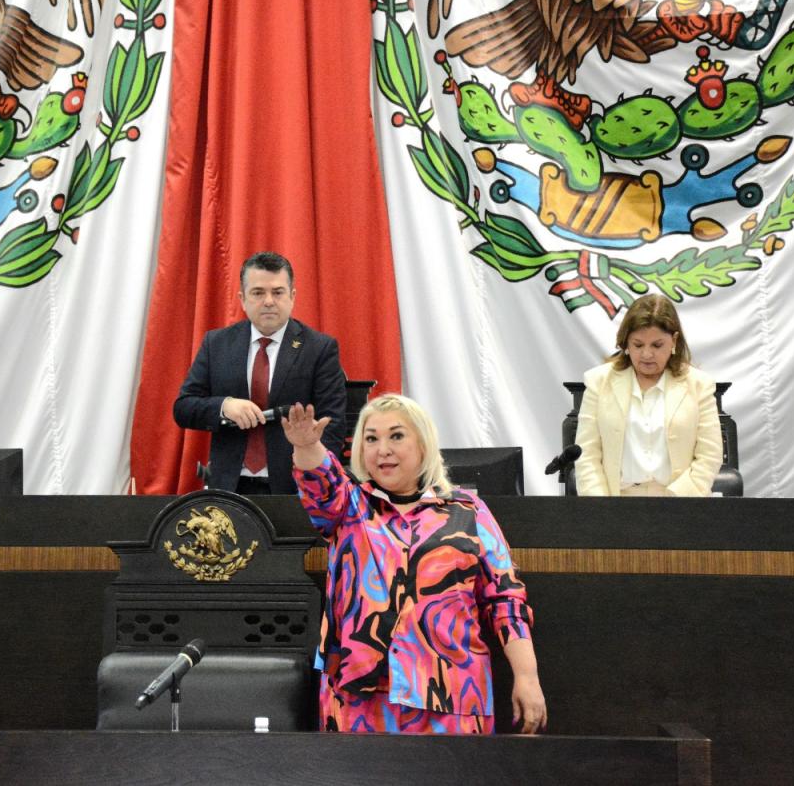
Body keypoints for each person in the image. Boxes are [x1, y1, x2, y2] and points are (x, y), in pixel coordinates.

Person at [284, 393, 547, 735]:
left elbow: (505, 600)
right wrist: (306, 446)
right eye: (371, 439)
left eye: (396, 436)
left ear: (423, 444)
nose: (383, 450)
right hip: (359, 703)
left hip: (453, 698)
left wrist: (527, 676)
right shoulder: (349, 506)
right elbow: (321, 482)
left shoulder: (469, 511)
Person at [174, 251, 346, 495]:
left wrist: (313, 476)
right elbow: (183, 408)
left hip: (294, 487)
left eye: (277, 292)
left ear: (292, 296)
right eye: (258, 293)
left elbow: (333, 424)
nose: (268, 301)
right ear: (242, 299)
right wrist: (224, 406)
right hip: (229, 486)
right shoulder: (217, 343)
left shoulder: (318, 348)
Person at [573, 293, 723, 496]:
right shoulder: (598, 381)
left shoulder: (699, 385)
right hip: (616, 502)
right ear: (626, 343)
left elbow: (710, 455)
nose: (646, 354)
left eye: (657, 345)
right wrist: (602, 507)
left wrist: (679, 501)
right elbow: (587, 454)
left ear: (674, 341)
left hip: (679, 501)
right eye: (638, 345)